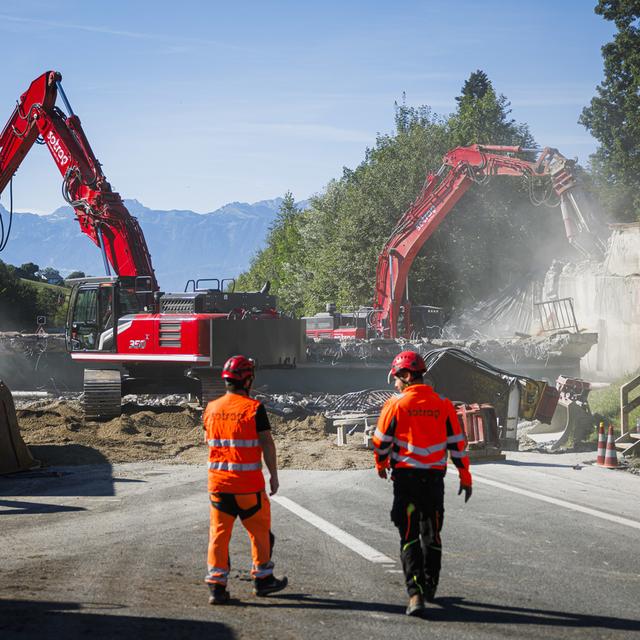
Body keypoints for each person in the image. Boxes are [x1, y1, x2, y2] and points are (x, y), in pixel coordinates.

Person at [373, 350, 472, 617]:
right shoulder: (443, 404)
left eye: (396, 378)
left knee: (408, 534)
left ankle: (415, 593)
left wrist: (381, 464)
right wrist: (465, 477)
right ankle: (430, 585)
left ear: (406, 376)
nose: (395, 384)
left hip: (406, 481)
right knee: (432, 532)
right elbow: (458, 445)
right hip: (434, 482)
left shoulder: (395, 404)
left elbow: (381, 442)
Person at [203, 355, 288, 605]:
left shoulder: (211, 408)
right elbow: (267, 444)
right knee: (260, 533)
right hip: (248, 487)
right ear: (248, 380)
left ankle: (217, 586)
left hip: (219, 486)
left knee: (219, 535)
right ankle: (263, 579)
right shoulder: (253, 408)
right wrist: (273, 474)